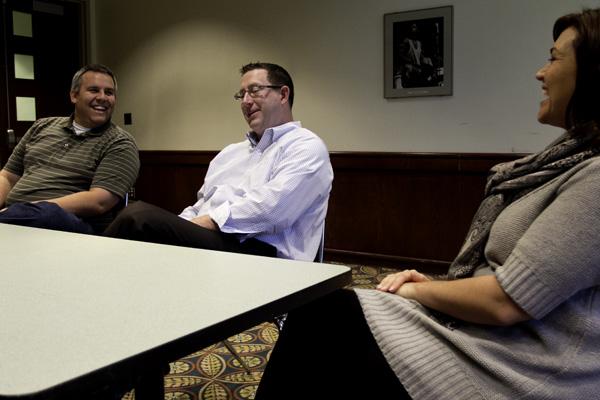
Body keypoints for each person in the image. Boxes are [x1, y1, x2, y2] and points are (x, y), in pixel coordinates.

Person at [255, 8, 600, 400]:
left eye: (554, 58)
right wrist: (435, 287)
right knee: (323, 315)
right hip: (491, 338)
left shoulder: (595, 178)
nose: (541, 72)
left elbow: (507, 302)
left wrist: (417, 292)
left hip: (520, 367)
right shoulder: (564, 164)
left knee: (326, 317)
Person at [104, 62, 332, 261]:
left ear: (283, 95)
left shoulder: (306, 147)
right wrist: (178, 225)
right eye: (241, 95)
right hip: (216, 245)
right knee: (145, 242)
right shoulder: (229, 154)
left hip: (265, 256)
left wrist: (199, 224)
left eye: (254, 91)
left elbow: (272, 211)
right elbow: (199, 206)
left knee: (139, 218)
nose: (245, 101)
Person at [0, 64, 139, 234]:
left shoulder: (120, 143)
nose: (103, 97)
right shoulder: (42, 126)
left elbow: (99, 201)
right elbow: (7, 177)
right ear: (74, 95)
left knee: (49, 213)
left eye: (109, 93)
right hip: (14, 219)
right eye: (94, 90)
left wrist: (26, 210)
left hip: (73, 228)